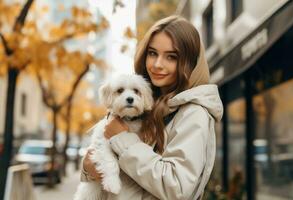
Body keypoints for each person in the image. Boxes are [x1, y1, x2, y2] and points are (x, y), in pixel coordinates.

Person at [81, 15, 223, 200]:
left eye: (171, 57)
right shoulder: (145, 102)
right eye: (153, 53)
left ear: (188, 62)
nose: (157, 64)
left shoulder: (193, 113)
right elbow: (111, 171)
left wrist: (122, 139)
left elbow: (176, 187)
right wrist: (88, 167)